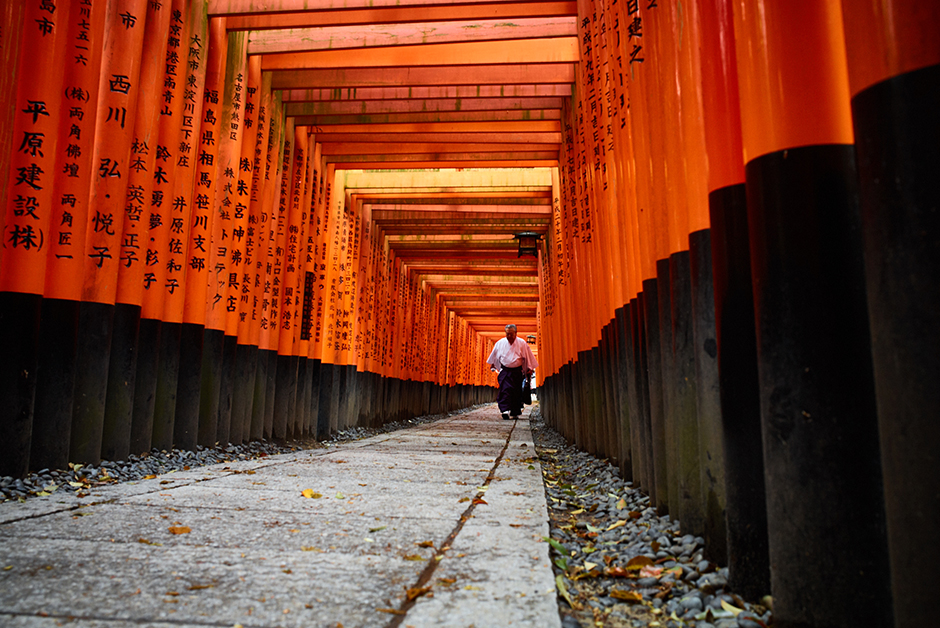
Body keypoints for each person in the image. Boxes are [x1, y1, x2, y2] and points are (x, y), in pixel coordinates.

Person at [486, 324, 538, 420]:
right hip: (505, 371)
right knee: (505, 390)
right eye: (507, 334)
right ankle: (504, 410)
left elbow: (527, 358)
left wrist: (529, 369)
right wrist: (493, 364)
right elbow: (494, 356)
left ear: (516, 333)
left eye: (511, 334)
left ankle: (514, 412)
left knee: (516, 391)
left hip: (517, 371)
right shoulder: (500, 343)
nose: (509, 336)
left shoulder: (522, 343)